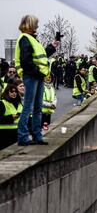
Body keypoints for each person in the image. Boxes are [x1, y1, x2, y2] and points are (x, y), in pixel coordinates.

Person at [15, 15, 59, 146]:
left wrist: (53, 45)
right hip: (32, 75)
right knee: (29, 106)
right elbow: (25, 60)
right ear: (30, 24)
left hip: (37, 75)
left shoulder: (32, 39)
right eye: (36, 24)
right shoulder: (25, 38)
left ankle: (36, 135)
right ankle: (24, 136)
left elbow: (41, 56)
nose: (37, 26)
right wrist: (37, 72)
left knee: (36, 108)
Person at [0, 85, 23, 150]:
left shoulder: (20, 103)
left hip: (17, 132)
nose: (14, 93)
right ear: (7, 93)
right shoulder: (2, 103)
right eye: (12, 92)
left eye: (15, 91)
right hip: (4, 133)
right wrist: (10, 117)